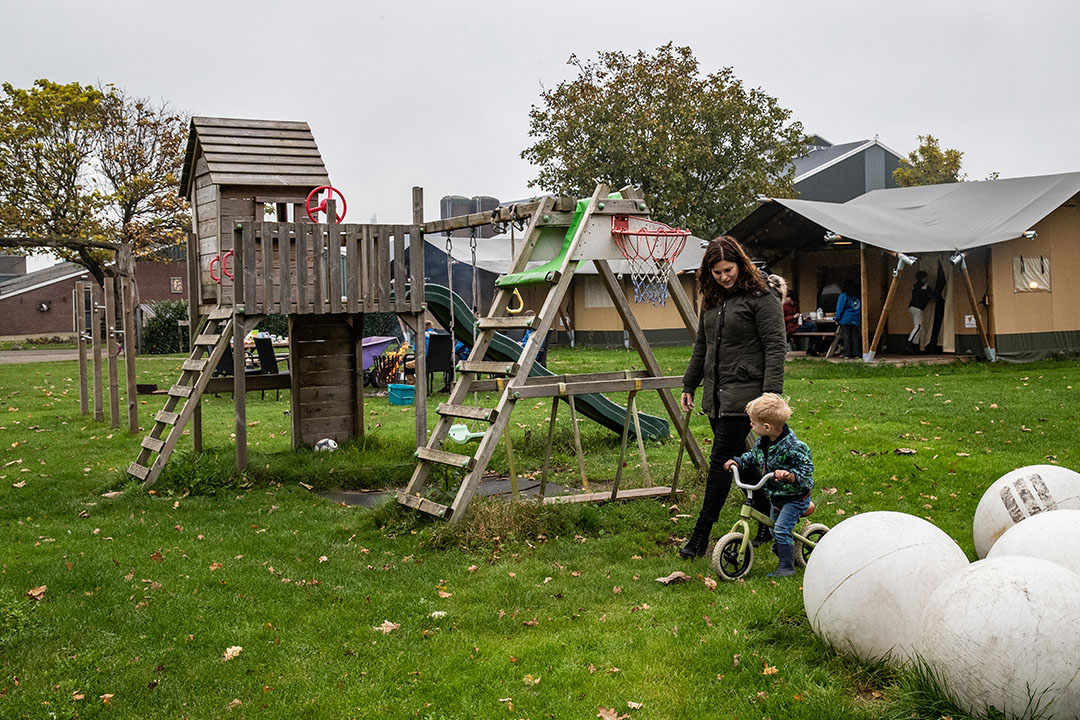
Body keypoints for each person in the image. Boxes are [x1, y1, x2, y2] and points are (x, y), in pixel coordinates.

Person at [679, 236, 787, 559]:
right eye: (716, 272)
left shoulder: (761, 296)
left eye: (728, 270)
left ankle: (700, 535)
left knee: (720, 462)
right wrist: (689, 384)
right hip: (716, 396)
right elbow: (703, 345)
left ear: (740, 263)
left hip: (747, 397)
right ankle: (770, 517)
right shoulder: (711, 300)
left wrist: (771, 396)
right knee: (740, 458)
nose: (724, 277)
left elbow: (775, 346)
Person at [723, 393, 814, 577]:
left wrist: (790, 476)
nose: (750, 425)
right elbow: (753, 457)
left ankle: (787, 568)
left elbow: (806, 470)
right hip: (777, 496)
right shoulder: (763, 442)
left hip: (795, 497)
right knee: (774, 528)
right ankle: (785, 547)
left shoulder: (793, 446)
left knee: (780, 529)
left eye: (753, 423)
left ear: (766, 426)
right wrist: (738, 462)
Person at [783, 290, 825, 356]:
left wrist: (801, 317)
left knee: (815, 327)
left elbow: (797, 315)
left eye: (788, 297)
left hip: (797, 324)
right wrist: (793, 317)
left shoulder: (795, 305)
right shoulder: (784, 306)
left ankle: (813, 346)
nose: (786, 299)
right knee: (813, 327)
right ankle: (816, 345)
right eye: (785, 297)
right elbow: (783, 319)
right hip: (791, 327)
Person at [834, 279, 862, 359]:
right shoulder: (858, 296)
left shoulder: (843, 295)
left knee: (846, 337)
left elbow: (840, 308)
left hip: (845, 319)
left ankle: (847, 354)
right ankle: (856, 353)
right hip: (856, 318)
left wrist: (837, 318)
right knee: (855, 337)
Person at [907, 270, 931, 354]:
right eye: (926, 277)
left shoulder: (915, 286)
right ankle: (909, 343)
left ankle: (915, 346)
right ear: (923, 278)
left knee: (918, 327)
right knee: (918, 327)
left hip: (912, 307)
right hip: (918, 308)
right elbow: (933, 294)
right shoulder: (924, 286)